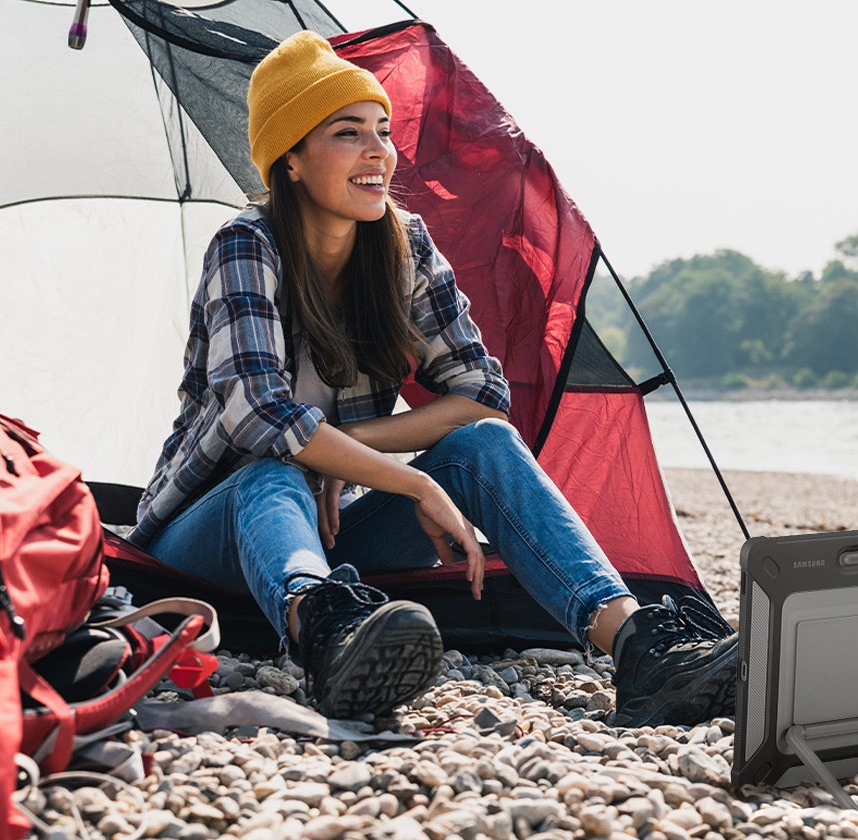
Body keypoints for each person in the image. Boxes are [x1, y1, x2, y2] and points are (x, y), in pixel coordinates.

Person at [129, 31, 737, 727]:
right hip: (206, 538)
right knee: (274, 470)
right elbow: (260, 418)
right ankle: (327, 637)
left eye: (383, 132)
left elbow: (481, 395)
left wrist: (343, 453)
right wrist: (410, 478)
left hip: (332, 531)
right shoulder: (246, 244)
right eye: (347, 133)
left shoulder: (404, 242)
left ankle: (638, 648)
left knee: (483, 444)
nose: (377, 153)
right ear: (290, 160)